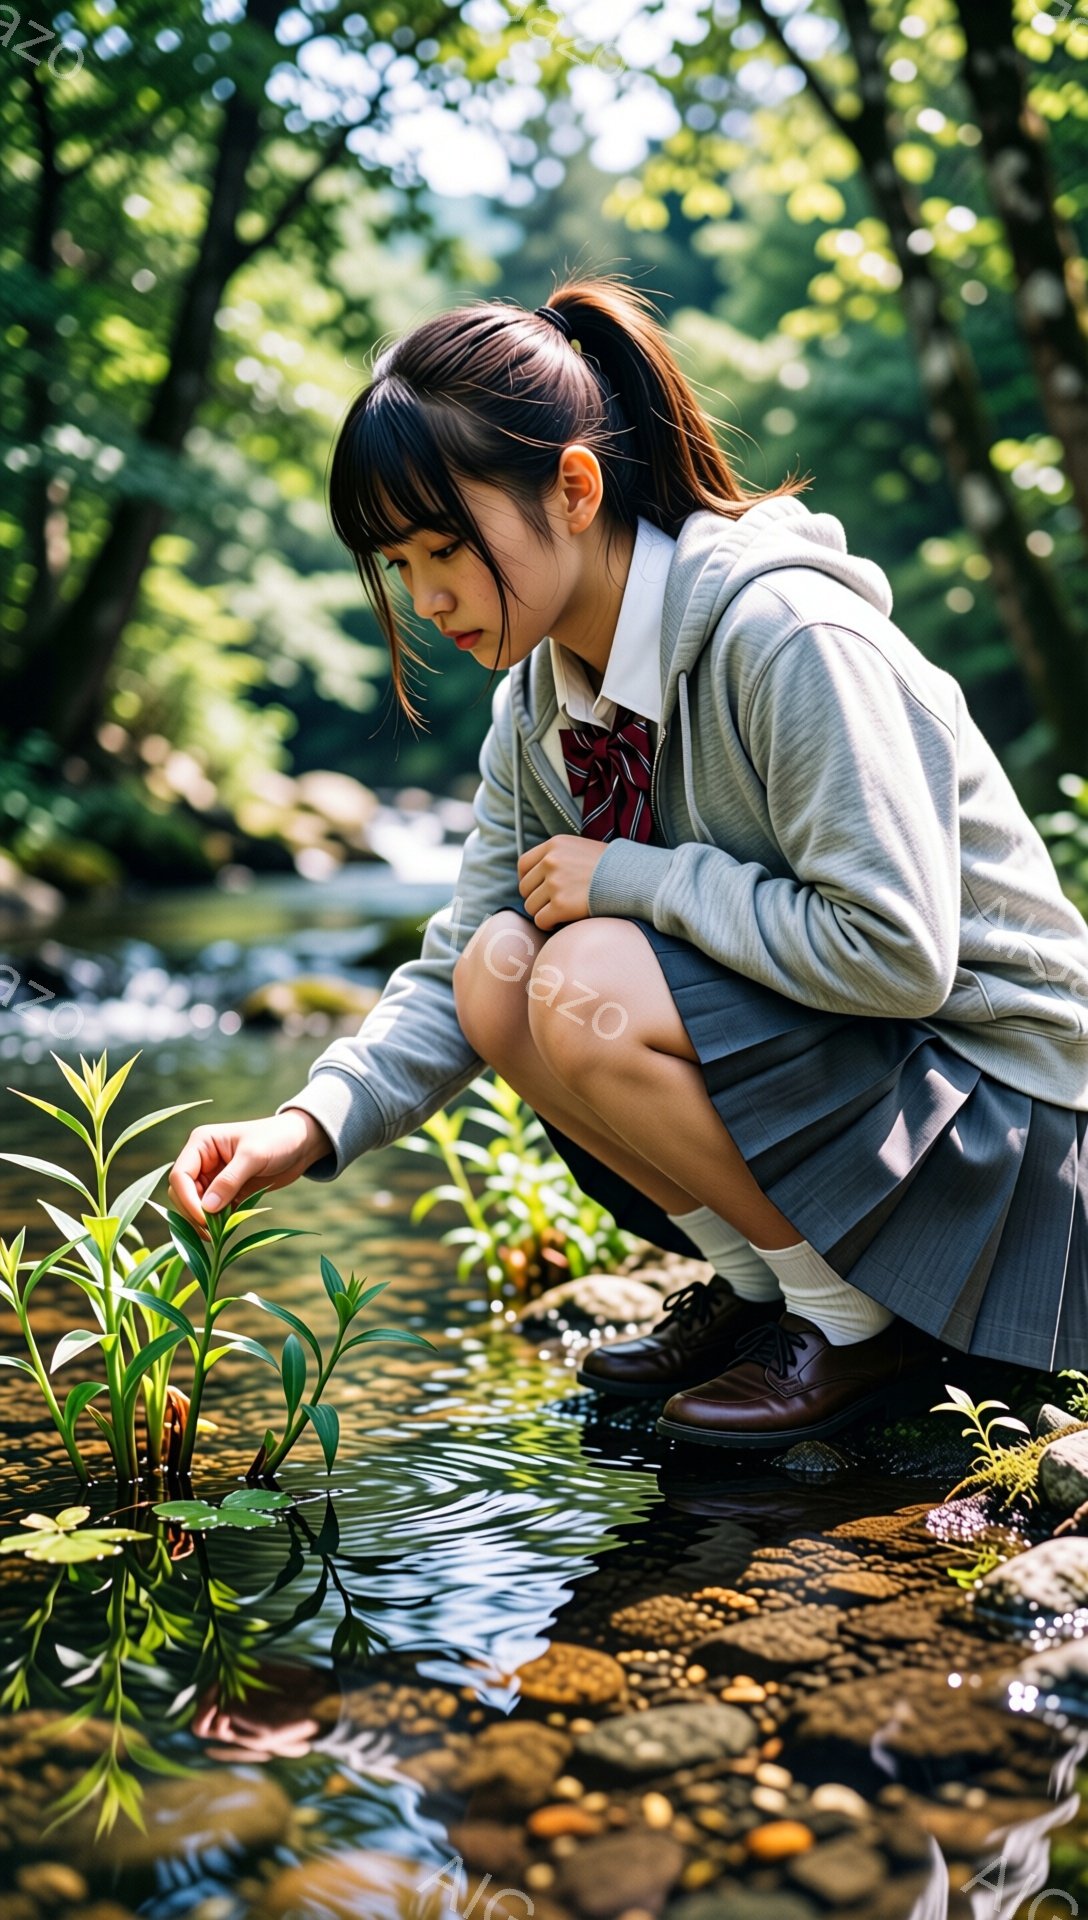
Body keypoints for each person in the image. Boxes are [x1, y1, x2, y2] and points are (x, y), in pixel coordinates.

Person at [168, 275, 1088, 1450]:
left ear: (573, 487)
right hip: (885, 1100)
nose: (427, 595)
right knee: (500, 968)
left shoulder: (785, 637)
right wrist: (304, 1125)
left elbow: (898, 957)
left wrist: (638, 882)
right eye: (397, 563)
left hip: (1007, 1132)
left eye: (446, 544)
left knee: (586, 965)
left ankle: (855, 1324)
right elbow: (459, 960)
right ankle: (770, 1295)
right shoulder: (539, 709)